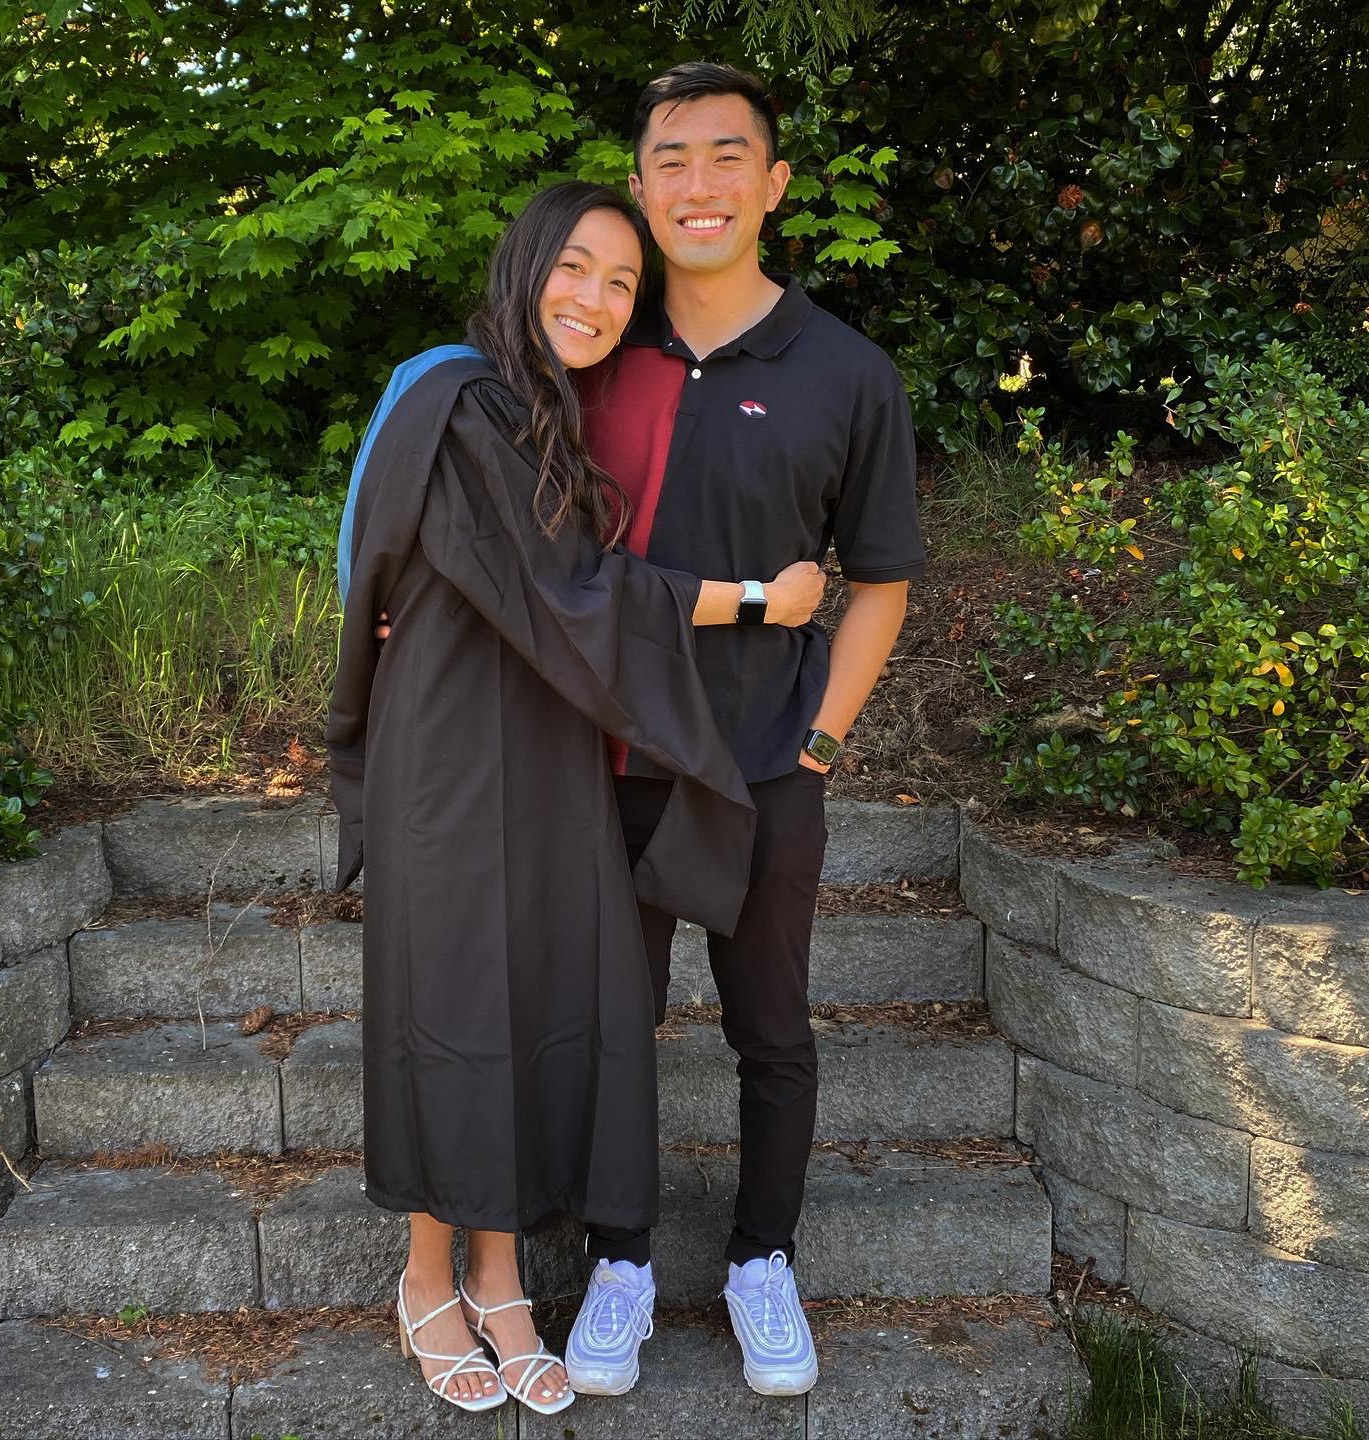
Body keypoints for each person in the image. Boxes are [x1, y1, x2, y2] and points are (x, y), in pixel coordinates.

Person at [326, 181, 826, 1418]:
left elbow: (567, 589)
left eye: (620, 282)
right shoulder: (457, 397)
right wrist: (756, 599)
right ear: (524, 265)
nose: (595, 300)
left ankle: (501, 1280)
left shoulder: (545, 411)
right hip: (449, 747)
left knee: (528, 989)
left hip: (544, 739)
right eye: (575, 268)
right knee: (452, 998)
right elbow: (578, 593)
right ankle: (427, 1279)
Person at [560, 64, 926, 1400]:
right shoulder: (592, 346)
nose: (698, 184)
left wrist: (820, 744)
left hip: (768, 761)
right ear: (639, 185)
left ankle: (763, 1258)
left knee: (770, 1028)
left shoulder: (846, 372)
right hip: (604, 760)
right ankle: (618, 1262)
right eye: (671, 159)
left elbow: (879, 581)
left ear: (772, 185)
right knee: (610, 1028)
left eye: (728, 156)